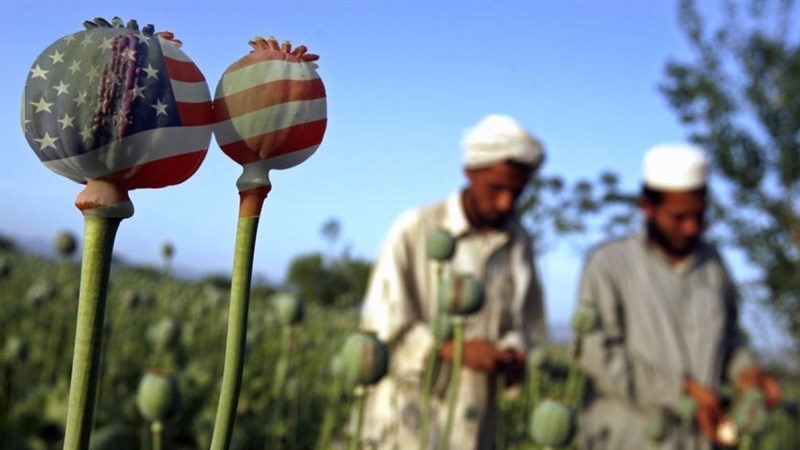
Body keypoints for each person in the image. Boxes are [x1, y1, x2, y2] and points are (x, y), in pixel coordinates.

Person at [357, 114, 548, 450]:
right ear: (470, 172)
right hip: (407, 418)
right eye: (496, 187)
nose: (506, 202)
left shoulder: (519, 241)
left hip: (476, 420)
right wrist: (451, 349)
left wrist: (514, 352)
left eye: (517, 192)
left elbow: (527, 322)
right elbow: (381, 323)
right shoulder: (417, 227)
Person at [574, 143, 782, 450]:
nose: (691, 228)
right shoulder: (608, 265)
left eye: (699, 216)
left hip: (699, 440)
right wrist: (682, 392)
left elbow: (730, 339)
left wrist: (746, 372)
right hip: (626, 440)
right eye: (678, 217)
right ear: (647, 206)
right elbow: (596, 356)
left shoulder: (714, 266)